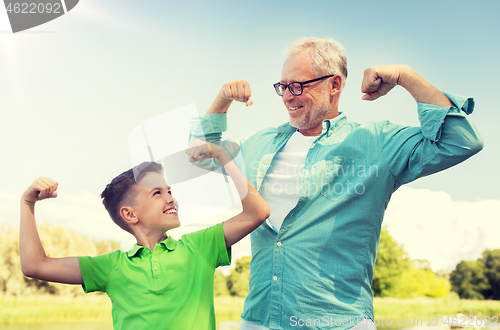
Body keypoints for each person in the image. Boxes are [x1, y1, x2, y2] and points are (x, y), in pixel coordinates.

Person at [189, 37, 483, 330]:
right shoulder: (260, 144)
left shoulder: (375, 143)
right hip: (259, 319)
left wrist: (405, 76)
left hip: (340, 322)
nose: (288, 96)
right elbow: (198, 156)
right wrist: (222, 99)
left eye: (298, 85)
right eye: (283, 87)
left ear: (334, 85)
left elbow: (461, 141)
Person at [19, 141, 270, 330]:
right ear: (129, 214)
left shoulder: (199, 247)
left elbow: (257, 212)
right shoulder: (111, 268)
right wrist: (27, 204)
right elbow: (35, 265)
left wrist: (224, 158)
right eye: (156, 193)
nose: (170, 197)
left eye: (169, 190)